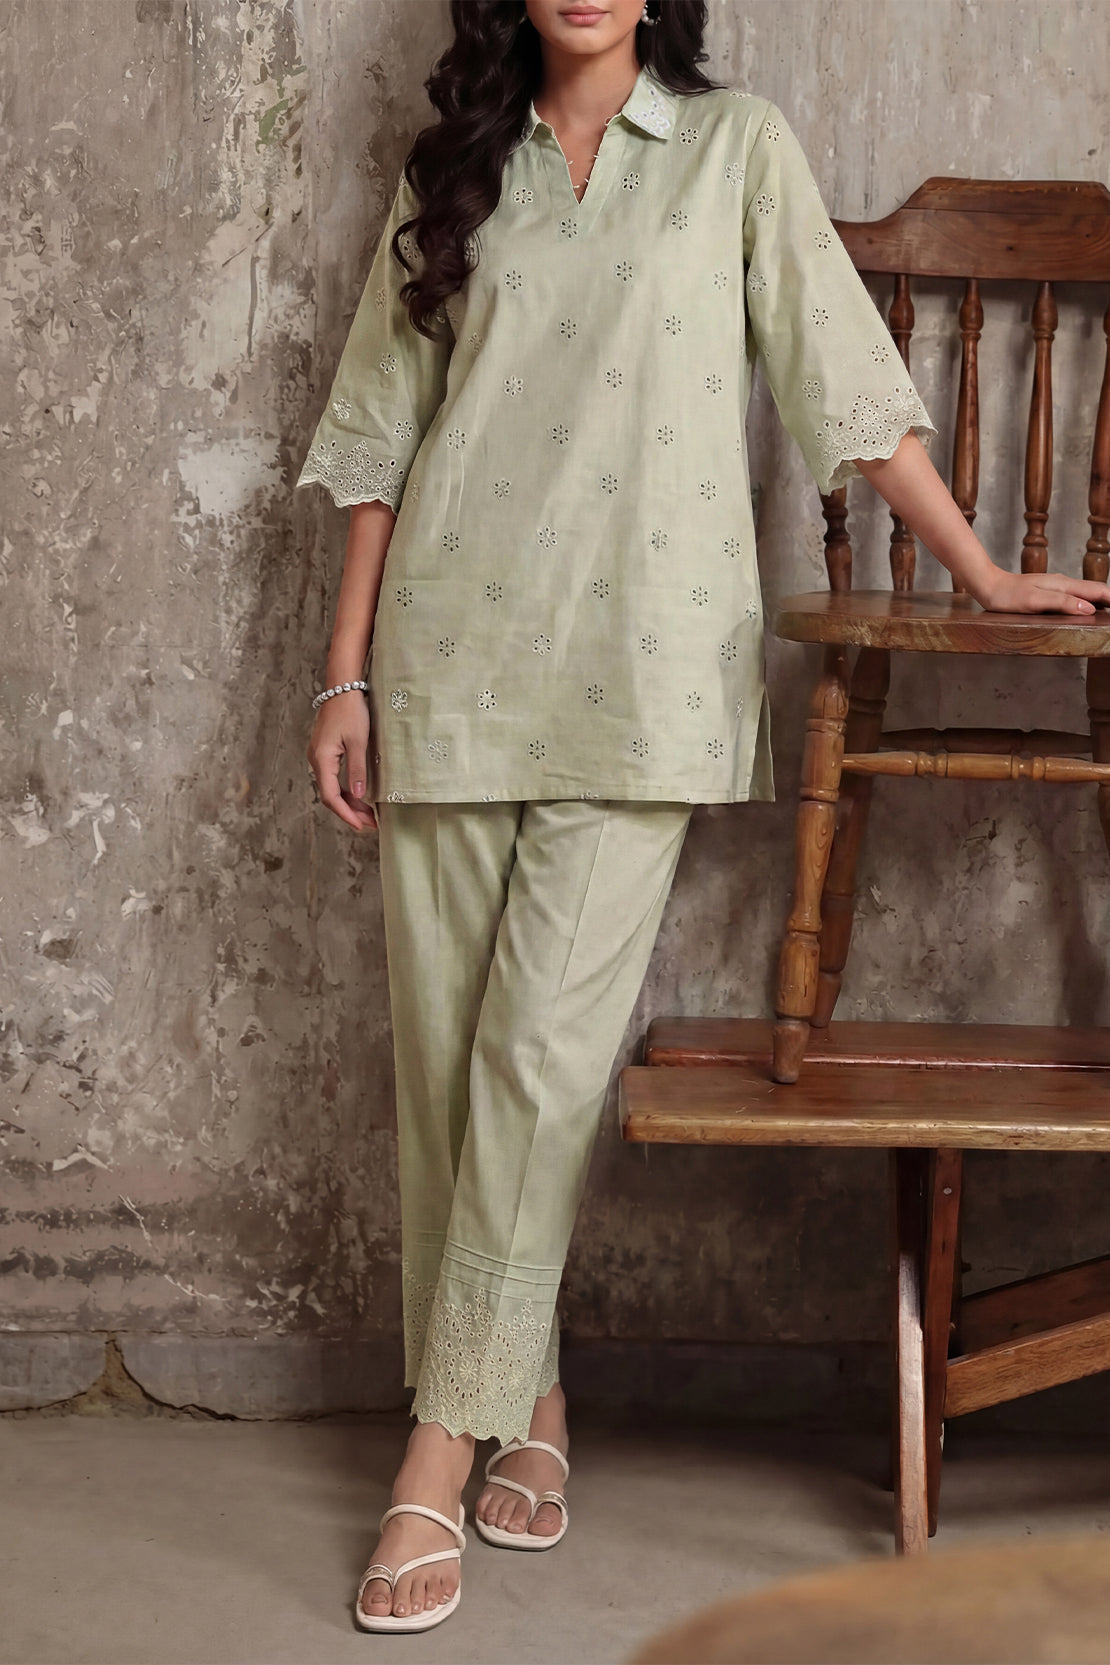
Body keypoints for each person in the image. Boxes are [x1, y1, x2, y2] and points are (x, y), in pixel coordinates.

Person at [296, 0, 1110, 1635]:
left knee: (537, 1067)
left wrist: (978, 569)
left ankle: (434, 1447)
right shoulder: (454, 169)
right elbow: (382, 431)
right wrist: (342, 675)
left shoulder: (734, 149)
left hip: (644, 671)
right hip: (449, 660)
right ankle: (529, 1396)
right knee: (449, 1074)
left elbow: (838, 375)